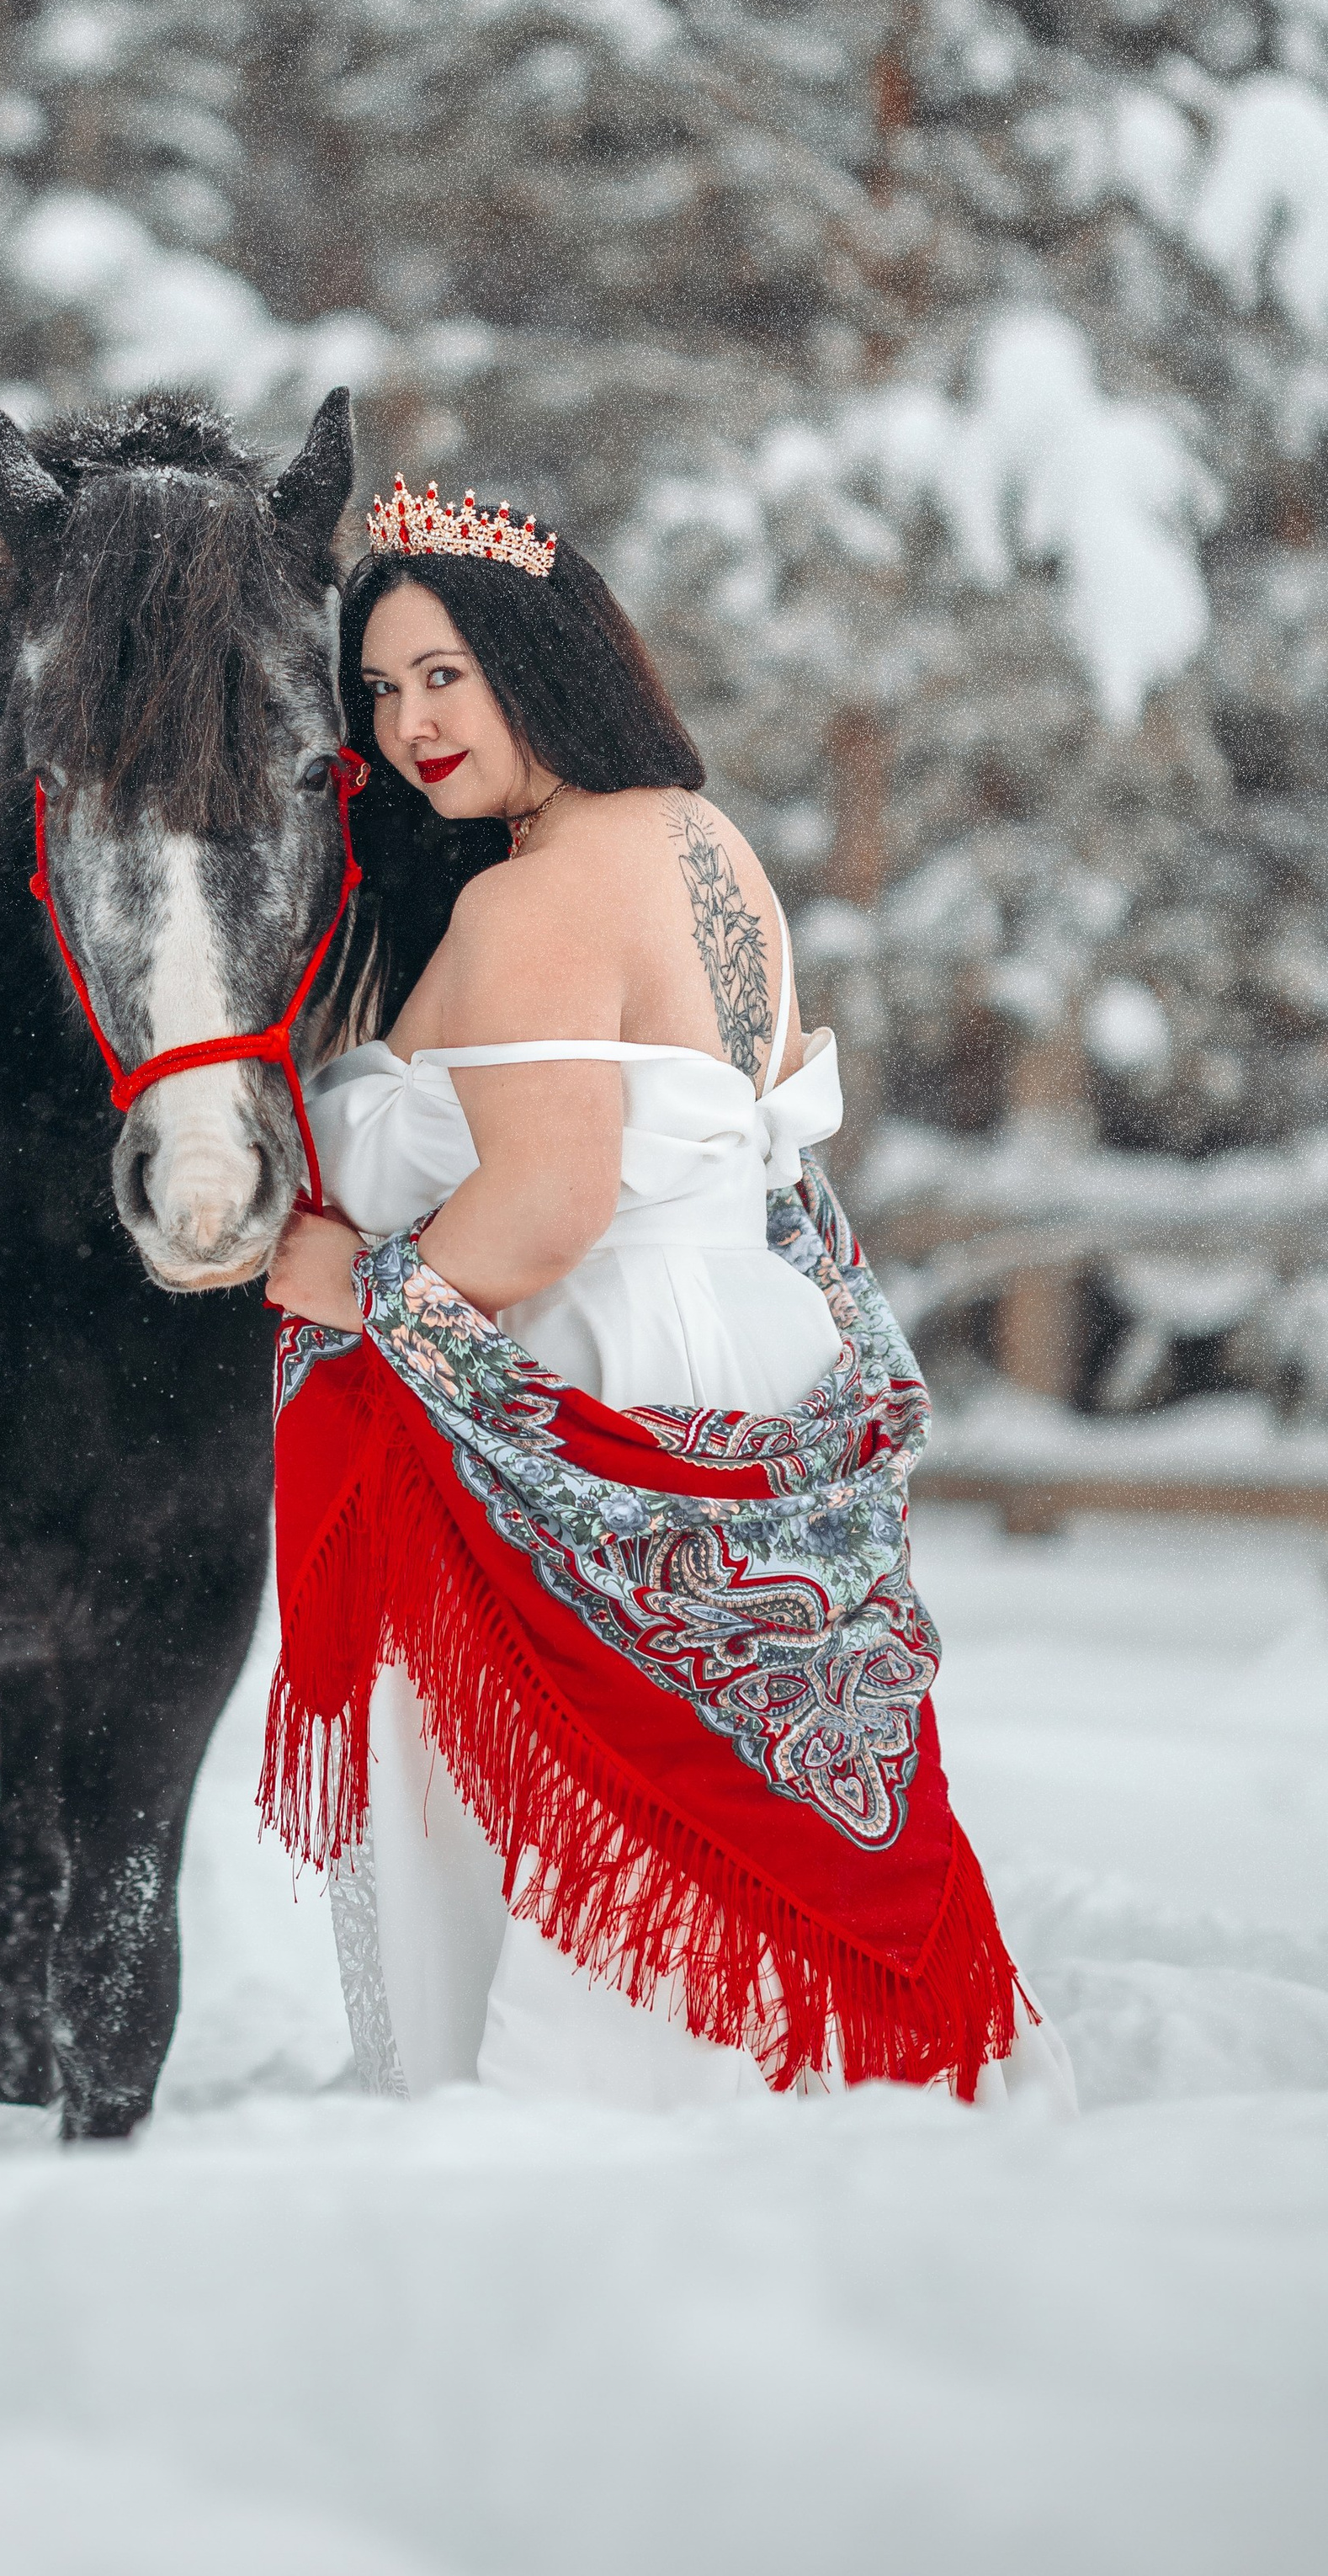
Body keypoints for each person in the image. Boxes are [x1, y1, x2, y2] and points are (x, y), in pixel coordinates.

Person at [262, 478, 1073, 2112]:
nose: (409, 722)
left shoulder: (529, 895)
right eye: (380, 688)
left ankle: (601, 2163)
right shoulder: (705, 847)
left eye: (445, 673)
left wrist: (347, 1283)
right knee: (739, 1801)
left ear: (539, 657)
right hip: (739, 1356)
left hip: (574, 1389)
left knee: (582, 1828)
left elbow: (547, 1204)